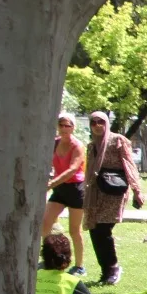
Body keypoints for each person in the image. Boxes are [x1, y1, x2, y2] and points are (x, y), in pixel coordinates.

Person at [82, 111, 144, 286]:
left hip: (113, 190)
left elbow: (129, 164)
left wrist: (137, 190)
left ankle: (113, 267)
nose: (97, 126)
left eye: (101, 122)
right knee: (95, 230)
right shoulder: (91, 145)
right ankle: (105, 270)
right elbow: (88, 172)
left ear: (107, 123)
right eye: (93, 123)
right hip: (96, 192)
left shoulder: (118, 140)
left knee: (103, 229)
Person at [43, 112, 87, 275]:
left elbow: (73, 169)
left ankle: (80, 266)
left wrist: (52, 183)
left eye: (67, 125)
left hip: (75, 189)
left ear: (73, 127)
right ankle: (48, 259)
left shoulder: (78, 146)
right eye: (60, 125)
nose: (63, 128)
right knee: (45, 224)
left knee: (74, 230)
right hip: (60, 189)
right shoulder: (54, 143)